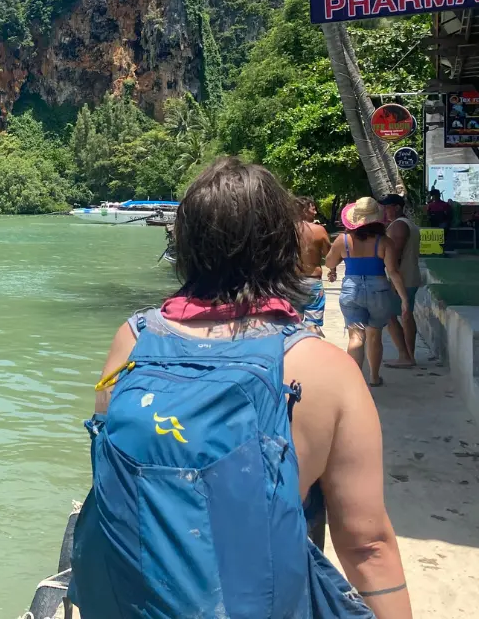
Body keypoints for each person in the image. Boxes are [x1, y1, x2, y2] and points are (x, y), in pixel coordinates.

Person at [71, 158, 411, 619]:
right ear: (282, 243)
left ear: (186, 242)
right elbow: (367, 545)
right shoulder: (322, 367)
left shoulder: (132, 339)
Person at [324, 198, 410, 388]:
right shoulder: (384, 241)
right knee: (374, 335)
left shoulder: (343, 240)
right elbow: (393, 272)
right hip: (378, 289)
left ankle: (354, 382)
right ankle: (374, 377)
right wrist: (404, 299)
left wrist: (335, 265)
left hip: (351, 289)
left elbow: (329, 263)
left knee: (356, 336)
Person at [380, 194, 421, 368]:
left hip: (401, 278)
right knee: (406, 315)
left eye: (387, 206)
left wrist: (391, 278)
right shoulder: (407, 224)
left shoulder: (398, 226)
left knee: (391, 316)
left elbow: (394, 257)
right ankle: (409, 355)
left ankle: (405, 355)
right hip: (410, 276)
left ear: (396, 207)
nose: (384, 210)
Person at [296, 195, 331, 333]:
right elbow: (329, 256)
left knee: (294, 324)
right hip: (312, 281)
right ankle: (312, 350)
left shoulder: (285, 229)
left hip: (291, 282)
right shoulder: (318, 230)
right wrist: (332, 269)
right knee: (312, 325)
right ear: (304, 210)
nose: (315, 212)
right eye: (313, 209)